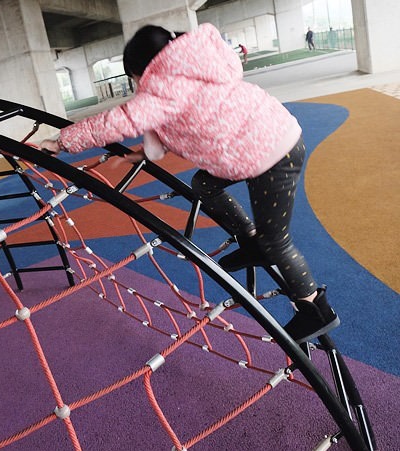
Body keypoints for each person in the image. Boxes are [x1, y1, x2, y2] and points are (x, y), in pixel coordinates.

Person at [39, 24, 340, 344]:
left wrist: (62, 141)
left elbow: (118, 121)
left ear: (144, 70)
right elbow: (193, 120)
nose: (136, 85)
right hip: (258, 144)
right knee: (204, 184)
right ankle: (250, 241)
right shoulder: (197, 67)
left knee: (276, 241)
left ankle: (315, 309)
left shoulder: (162, 86)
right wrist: (146, 152)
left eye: (134, 77)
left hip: (272, 155)